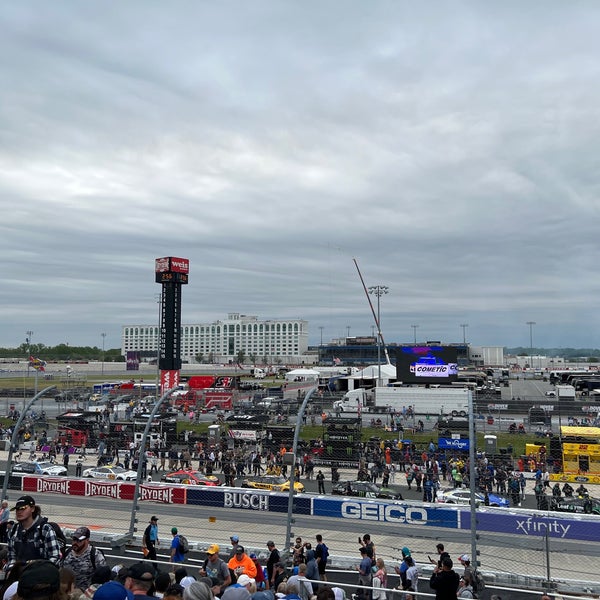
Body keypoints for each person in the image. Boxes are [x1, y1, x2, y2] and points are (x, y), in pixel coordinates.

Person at [6, 495, 61, 567]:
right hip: (20, 575)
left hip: (41, 574)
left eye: (23, 508)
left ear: (32, 509)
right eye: (17, 509)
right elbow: (11, 557)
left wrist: (42, 571)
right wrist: (11, 569)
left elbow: (55, 557)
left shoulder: (45, 529)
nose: (19, 512)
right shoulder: (13, 531)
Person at [60, 526, 107, 591]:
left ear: (87, 540)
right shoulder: (67, 552)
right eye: (74, 539)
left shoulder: (96, 555)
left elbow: (103, 577)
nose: (75, 543)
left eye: (79, 540)